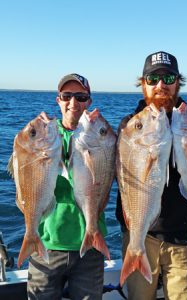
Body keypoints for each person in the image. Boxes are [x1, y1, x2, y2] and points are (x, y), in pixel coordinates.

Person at [116, 51, 187, 300]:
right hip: (140, 237)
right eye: (152, 79)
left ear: (178, 82)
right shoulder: (130, 125)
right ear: (143, 83)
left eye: (168, 77)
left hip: (183, 237)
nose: (160, 85)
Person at [27, 73, 107, 300]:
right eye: (67, 95)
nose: (74, 103)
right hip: (46, 244)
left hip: (90, 248)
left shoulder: (101, 137)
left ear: (89, 101)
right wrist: (33, 133)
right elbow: (26, 174)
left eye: (81, 97)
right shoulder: (45, 136)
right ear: (58, 100)